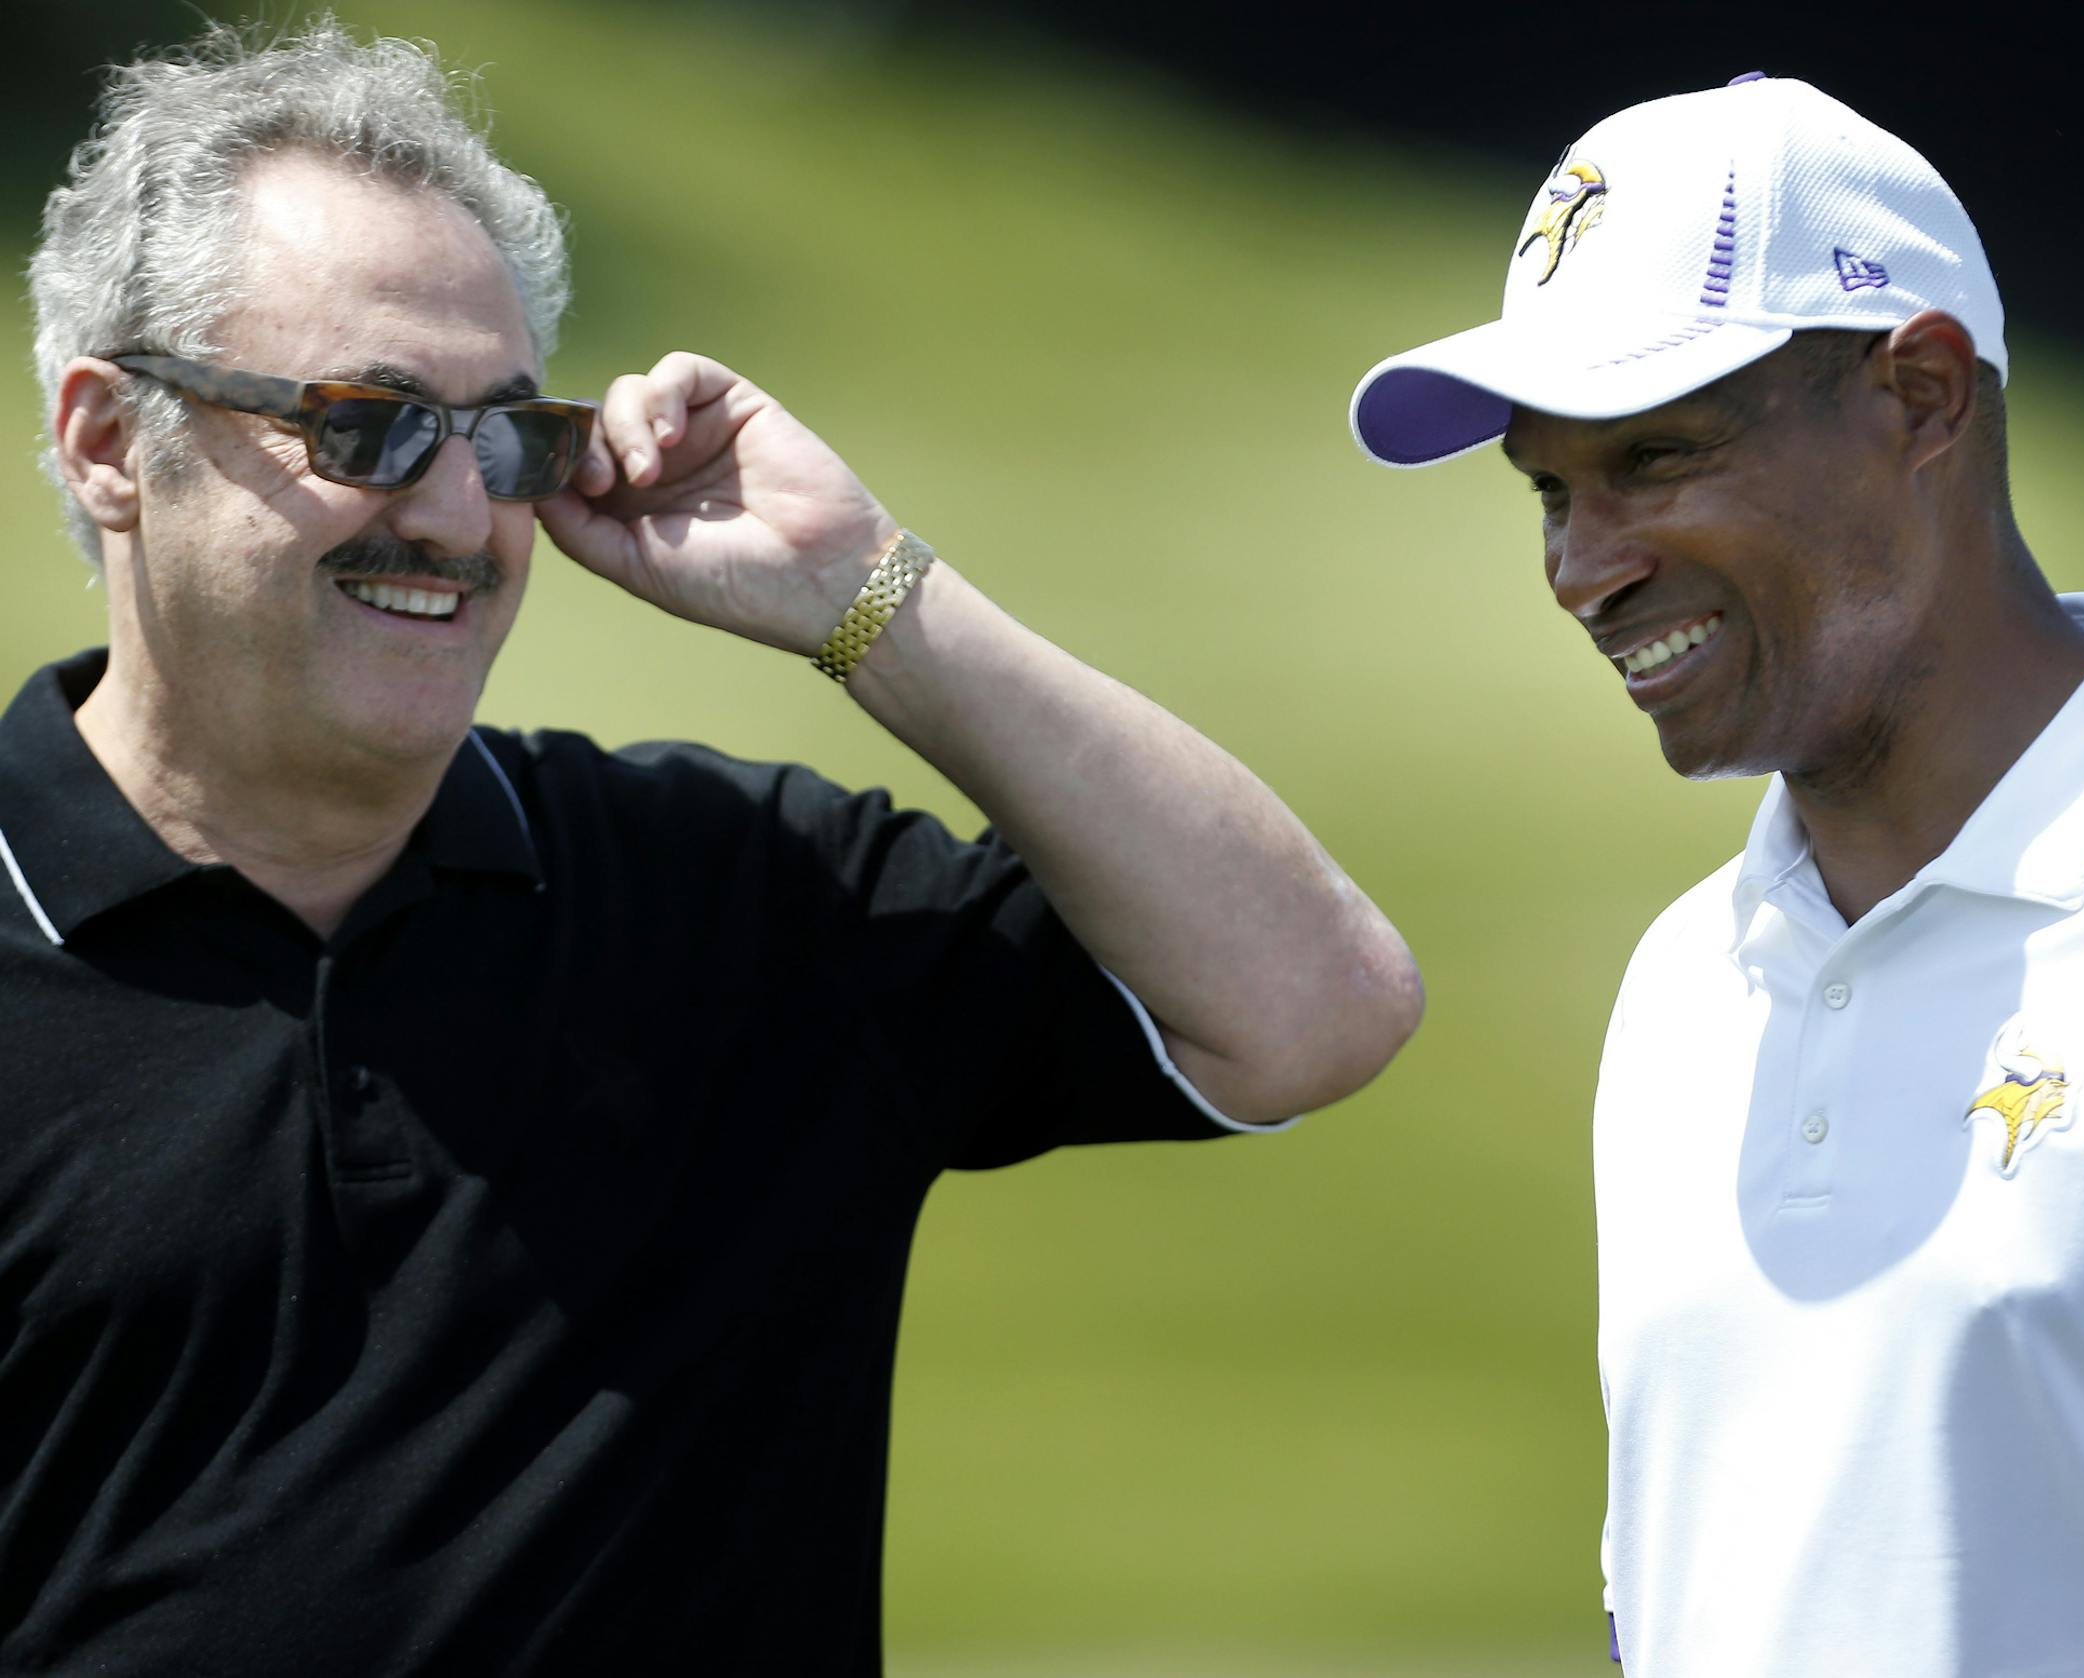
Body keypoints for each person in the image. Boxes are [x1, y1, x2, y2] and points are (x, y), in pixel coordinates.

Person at [0, 20, 1425, 1675]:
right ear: (112, 442)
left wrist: (863, 590)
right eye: (370, 423)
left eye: (508, 434)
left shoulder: (731, 896)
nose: (461, 518)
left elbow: (1319, 1002)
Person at [1348, 72, 2084, 1678]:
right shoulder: (1683, 990)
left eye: (1655, 461)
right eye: (1551, 494)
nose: (1584, 568)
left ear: (1922, 396)